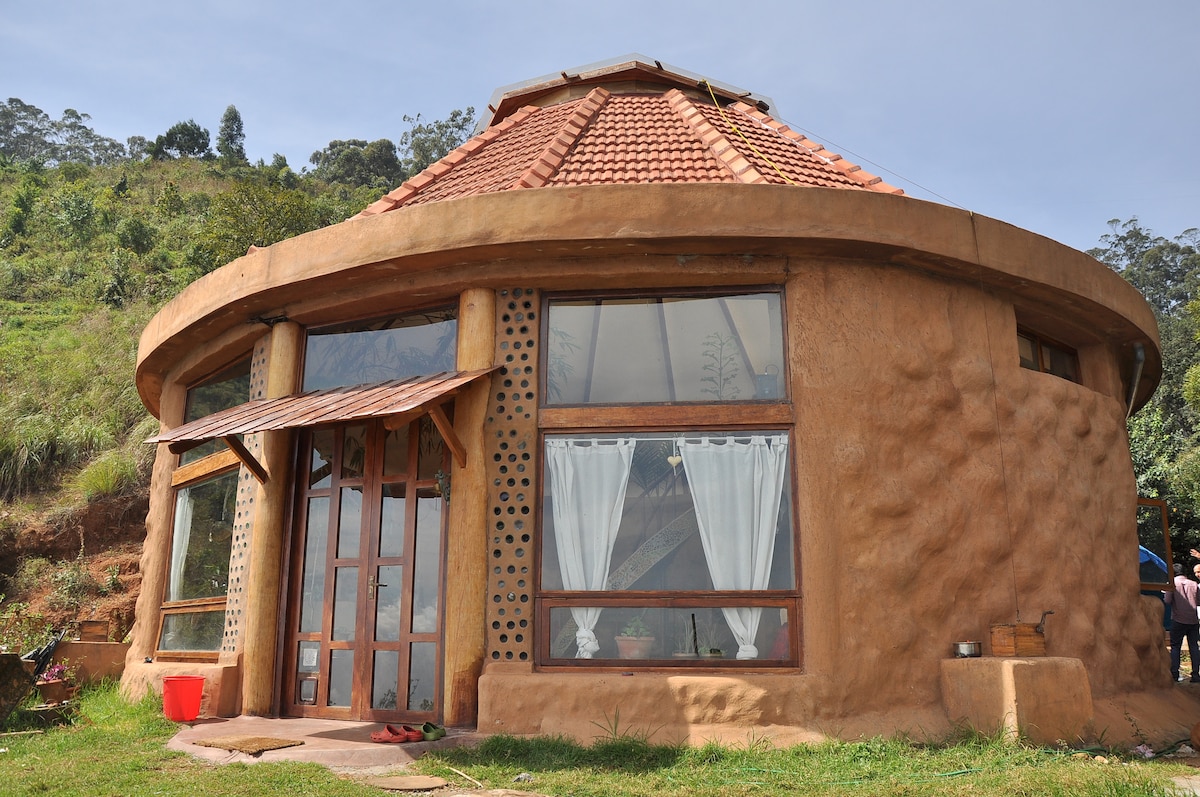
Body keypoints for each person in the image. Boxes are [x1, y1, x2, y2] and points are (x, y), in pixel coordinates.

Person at [1165, 562, 1200, 682]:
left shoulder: (1172, 584)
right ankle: (1195, 675)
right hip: (1193, 620)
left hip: (1178, 620)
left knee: (1175, 647)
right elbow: (1199, 601)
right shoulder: (1194, 584)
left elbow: (1167, 600)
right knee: (1194, 647)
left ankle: (1174, 674)